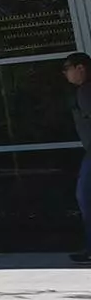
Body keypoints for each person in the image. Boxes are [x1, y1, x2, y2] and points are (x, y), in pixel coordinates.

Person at [65, 53, 91, 264]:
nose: (65, 73)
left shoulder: (86, 92)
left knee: (85, 198)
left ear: (80, 68)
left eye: (67, 68)